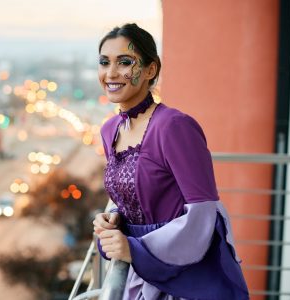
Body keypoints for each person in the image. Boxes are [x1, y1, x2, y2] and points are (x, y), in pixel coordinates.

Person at [93, 23, 249, 300]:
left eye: (125, 62)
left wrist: (134, 250)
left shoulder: (174, 126)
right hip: (139, 272)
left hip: (186, 277)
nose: (111, 73)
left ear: (151, 69)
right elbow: (137, 195)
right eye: (105, 62)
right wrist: (114, 219)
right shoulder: (110, 131)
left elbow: (203, 213)